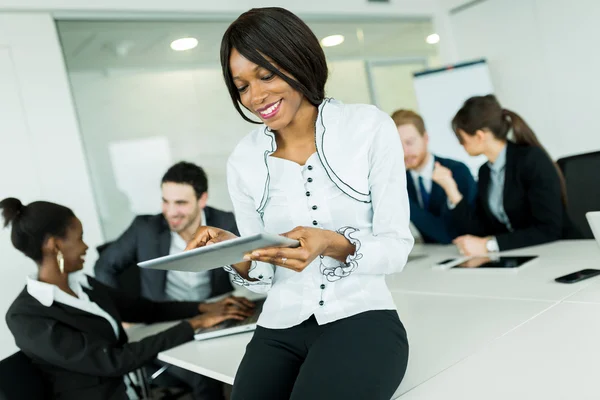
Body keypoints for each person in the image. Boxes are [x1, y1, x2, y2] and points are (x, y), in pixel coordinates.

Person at [184, 7, 413, 400]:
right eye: (241, 87)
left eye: (265, 75)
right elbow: (264, 280)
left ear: (297, 58)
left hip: (361, 316)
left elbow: (396, 248)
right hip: (279, 325)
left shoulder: (368, 127)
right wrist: (232, 250)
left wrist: (330, 242)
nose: (255, 97)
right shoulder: (244, 159)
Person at [1, 197, 253, 400]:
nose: (86, 246)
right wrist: (195, 324)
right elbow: (113, 361)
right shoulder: (26, 316)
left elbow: (144, 310)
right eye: (79, 238)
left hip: (133, 390)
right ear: (54, 245)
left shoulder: (83, 285)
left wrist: (204, 307)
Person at [94, 161, 247, 399]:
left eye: (181, 203)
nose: (170, 211)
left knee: (252, 362)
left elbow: (252, 264)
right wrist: (121, 316)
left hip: (217, 312)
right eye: (166, 201)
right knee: (203, 377)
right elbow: (104, 266)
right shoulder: (144, 228)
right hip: (167, 322)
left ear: (202, 199)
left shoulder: (225, 223)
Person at [432, 94, 580, 255]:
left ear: (480, 136)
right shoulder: (485, 172)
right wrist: (451, 189)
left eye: (461, 138)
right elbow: (480, 230)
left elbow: (549, 229)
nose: (460, 144)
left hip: (563, 253)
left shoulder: (531, 160)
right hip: (524, 255)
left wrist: (489, 245)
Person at [392, 109, 476, 244]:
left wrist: (402, 198)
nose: (404, 152)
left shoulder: (457, 171)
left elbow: (450, 235)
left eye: (409, 142)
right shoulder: (400, 180)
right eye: (397, 145)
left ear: (425, 138)